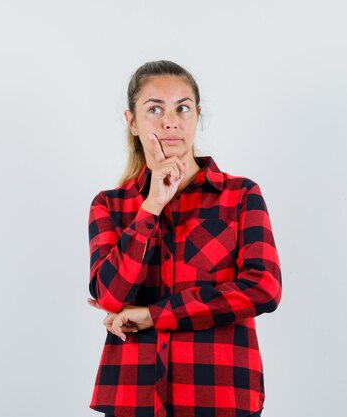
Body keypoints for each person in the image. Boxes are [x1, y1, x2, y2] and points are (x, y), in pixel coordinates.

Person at [85, 60, 282, 417]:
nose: (171, 121)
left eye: (183, 108)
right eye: (155, 109)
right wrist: (152, 207)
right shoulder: (110, 206)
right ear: (132, 122)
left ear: (197, 115)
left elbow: (263, 287)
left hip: (220, 395)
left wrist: (153, 315)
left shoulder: (240, 196)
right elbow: (110, 295)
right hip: (132, 396)